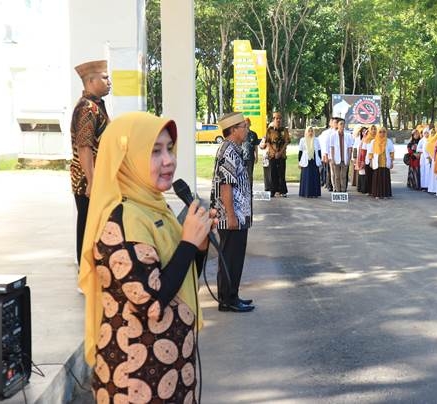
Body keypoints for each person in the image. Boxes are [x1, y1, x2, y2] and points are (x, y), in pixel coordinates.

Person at [79, 111, 213, 402]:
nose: (168, 160)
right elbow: (151, 302)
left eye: (169, 148)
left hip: (169, 366)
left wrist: (197, 247)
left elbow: (178, 279)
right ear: (129, 159)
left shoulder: (153, 206)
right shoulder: (122, 221)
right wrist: (188, 242)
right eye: (154, 152)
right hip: (136, 375)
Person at [210, 112, 255, 313]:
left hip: (238, 214)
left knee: (235, 258)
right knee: (230, 258)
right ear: (233, 129)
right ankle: (227, 299)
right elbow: (226, 185)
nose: (246, 130)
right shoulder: (228, 151)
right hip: (232, 216)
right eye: (243, 126)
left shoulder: (234, 150)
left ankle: (232, 296)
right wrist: (230, 215)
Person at [70, 60, 111, 266]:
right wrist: (92, 181)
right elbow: (84, 146)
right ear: (91, 81)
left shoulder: (95, 106)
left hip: (93, 179)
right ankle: (85, 272)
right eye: (105, 77)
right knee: (88, 227)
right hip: (88, 183)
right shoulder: (88, 108)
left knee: (92, 226)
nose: (109, 81)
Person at [265, 112, 290, 197]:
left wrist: (280, 152)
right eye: (276, 118)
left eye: (280, 118)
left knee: (282, 173)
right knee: (273, 173)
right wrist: (274, 152)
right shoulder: (269, 130)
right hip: (272, 155)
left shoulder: (285, 130)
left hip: (282, 155)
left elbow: (287, 142)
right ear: (273, 119)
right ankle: (273, 191)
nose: (278, 120)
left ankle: (282, 191)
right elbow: (267, 142)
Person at [368, 127, 395, 198]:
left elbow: (392, 152)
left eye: (383, 132)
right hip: (377, 163)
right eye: (380, 132)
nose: (382, 133)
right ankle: (377, 194)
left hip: (386, 163)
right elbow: (370, 153)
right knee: (377, 179)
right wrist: (370, 162)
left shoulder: (388, 141)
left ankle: (385, 194)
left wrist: (392, 162)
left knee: (385, 179)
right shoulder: (373, 141)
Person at [329, 118, 354, 192]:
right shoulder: (333, 135)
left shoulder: (348, 135)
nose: (342, 125)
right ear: (337, 125)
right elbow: (332, 148)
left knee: (343, 176)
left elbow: (350, 148)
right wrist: (332, 159)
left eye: (343, 124)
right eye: (340, 124)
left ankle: (343, 190)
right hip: (336, 159)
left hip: (345, 158)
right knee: (337, 176)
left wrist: (349, 159)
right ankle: (337, 190)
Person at [298, 126, 322, 198]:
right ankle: (305, 193)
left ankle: (314, 193)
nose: (310, 132)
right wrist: (299, 162)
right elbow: (300, 152)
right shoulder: (302, 140)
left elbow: (319, 151)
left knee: (314, 177)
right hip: (306, 160)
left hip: (314, 161)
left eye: (312, 131)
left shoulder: (316, 140)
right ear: (306, 132)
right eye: (309, 131)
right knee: (306, 177)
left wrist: (319, 160)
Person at [417, 127, 432, 191]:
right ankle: (423, 186)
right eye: (425, 133)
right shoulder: (421, 140)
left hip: (429, 156)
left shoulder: (431, 139)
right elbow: (418, 149)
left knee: (428, 171)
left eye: (427, 133)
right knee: (423, 171)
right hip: (423, 157)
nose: (426, 134)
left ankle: (428, 186)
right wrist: (424, 150)